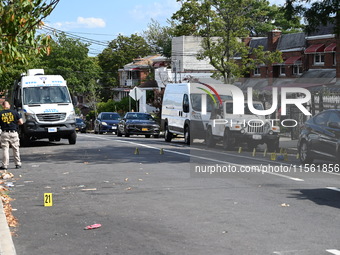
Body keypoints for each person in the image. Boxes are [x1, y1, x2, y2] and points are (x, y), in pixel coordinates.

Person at [0, 101, 23, 170]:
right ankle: (17, 163)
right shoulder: (15, 112)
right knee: (15, 148)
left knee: (5, 149)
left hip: (4, 133)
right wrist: (15, 124)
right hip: (13, 132)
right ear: (9, 106)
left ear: (3, 106)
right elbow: (21, 122)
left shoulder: (0, 113)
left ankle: (5, 165)